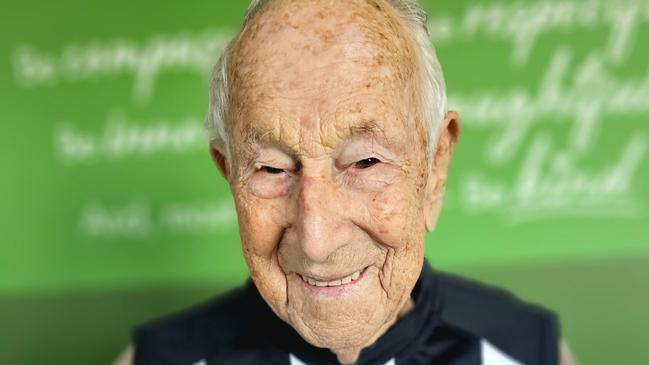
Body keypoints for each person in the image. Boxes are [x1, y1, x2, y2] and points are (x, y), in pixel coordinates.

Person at [115, 0, 579, 364]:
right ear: (229, 173)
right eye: (272, 169)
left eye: (365, 162)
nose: (317, 241)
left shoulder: (527, 351)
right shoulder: (159, 360)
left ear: (435, 166)